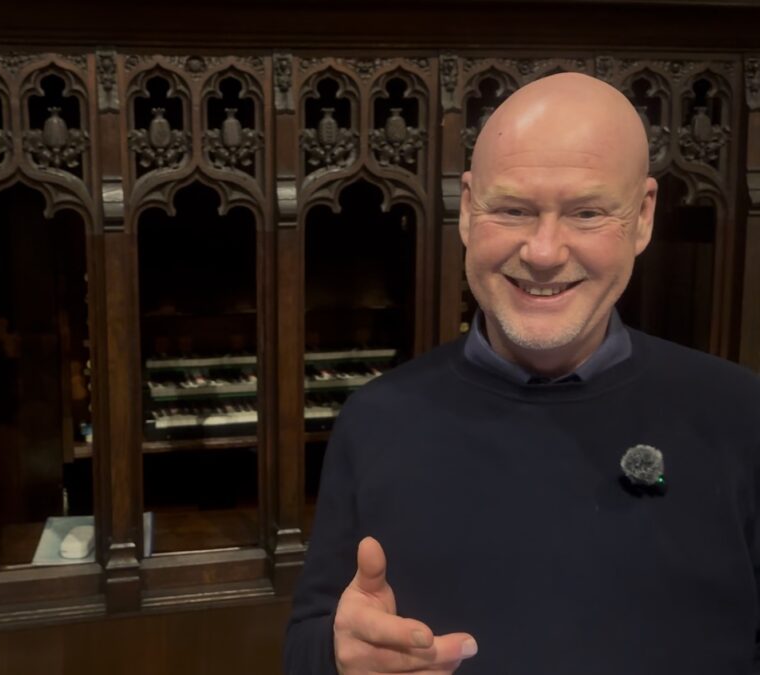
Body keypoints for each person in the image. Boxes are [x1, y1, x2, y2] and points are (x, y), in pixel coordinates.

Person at [283, 72, 760, 675]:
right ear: (467, 208)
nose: (543, 252)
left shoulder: (742, 414)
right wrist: (340, 657)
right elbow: (308, 644)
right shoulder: (376, 418)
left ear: (643, 217)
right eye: (512, 210)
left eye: (587, 212)